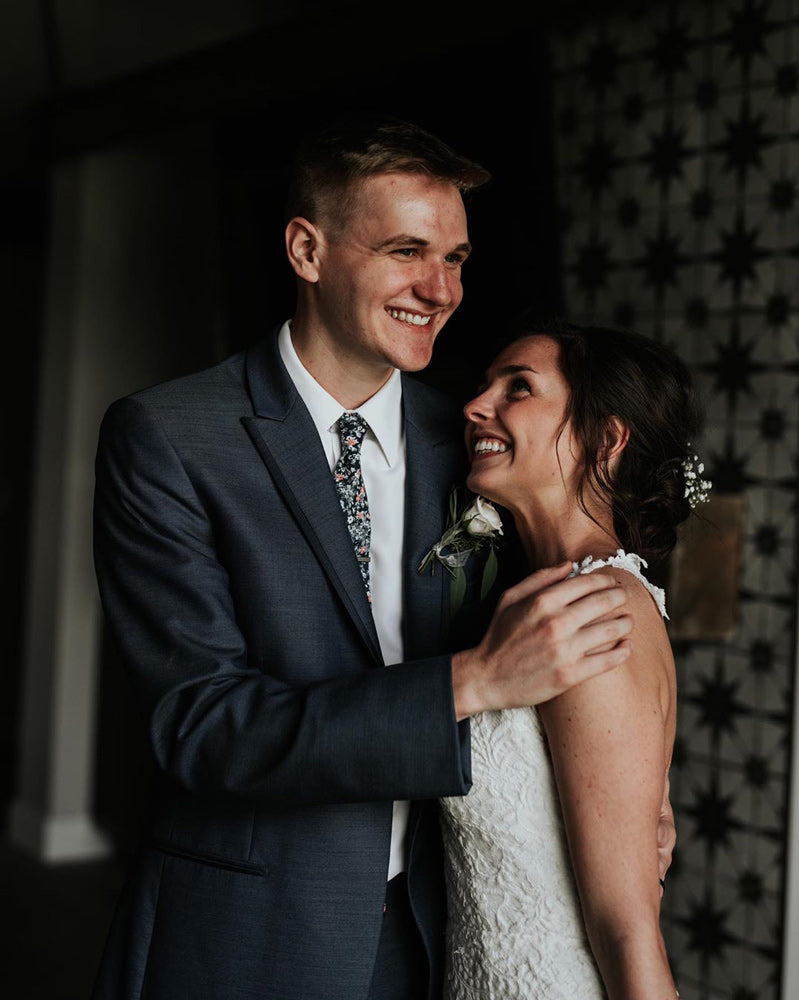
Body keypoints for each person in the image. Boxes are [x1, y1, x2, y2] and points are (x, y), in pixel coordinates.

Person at [91, 117, 646, 1000]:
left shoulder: (470, 441)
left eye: (457, 258)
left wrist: (636, 802)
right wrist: (469, 684)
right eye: (406, 250)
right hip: (246, 932)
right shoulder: (168, 438)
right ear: (307, 251)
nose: (440, 289)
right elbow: (202, 728)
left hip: (433, 932)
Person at [440, 319, 700, 999]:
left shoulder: (597, 612)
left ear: (606, 440)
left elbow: (627, 926)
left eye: (518, 388)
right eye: (484, 385)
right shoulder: (543, 601)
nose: (475, 407)